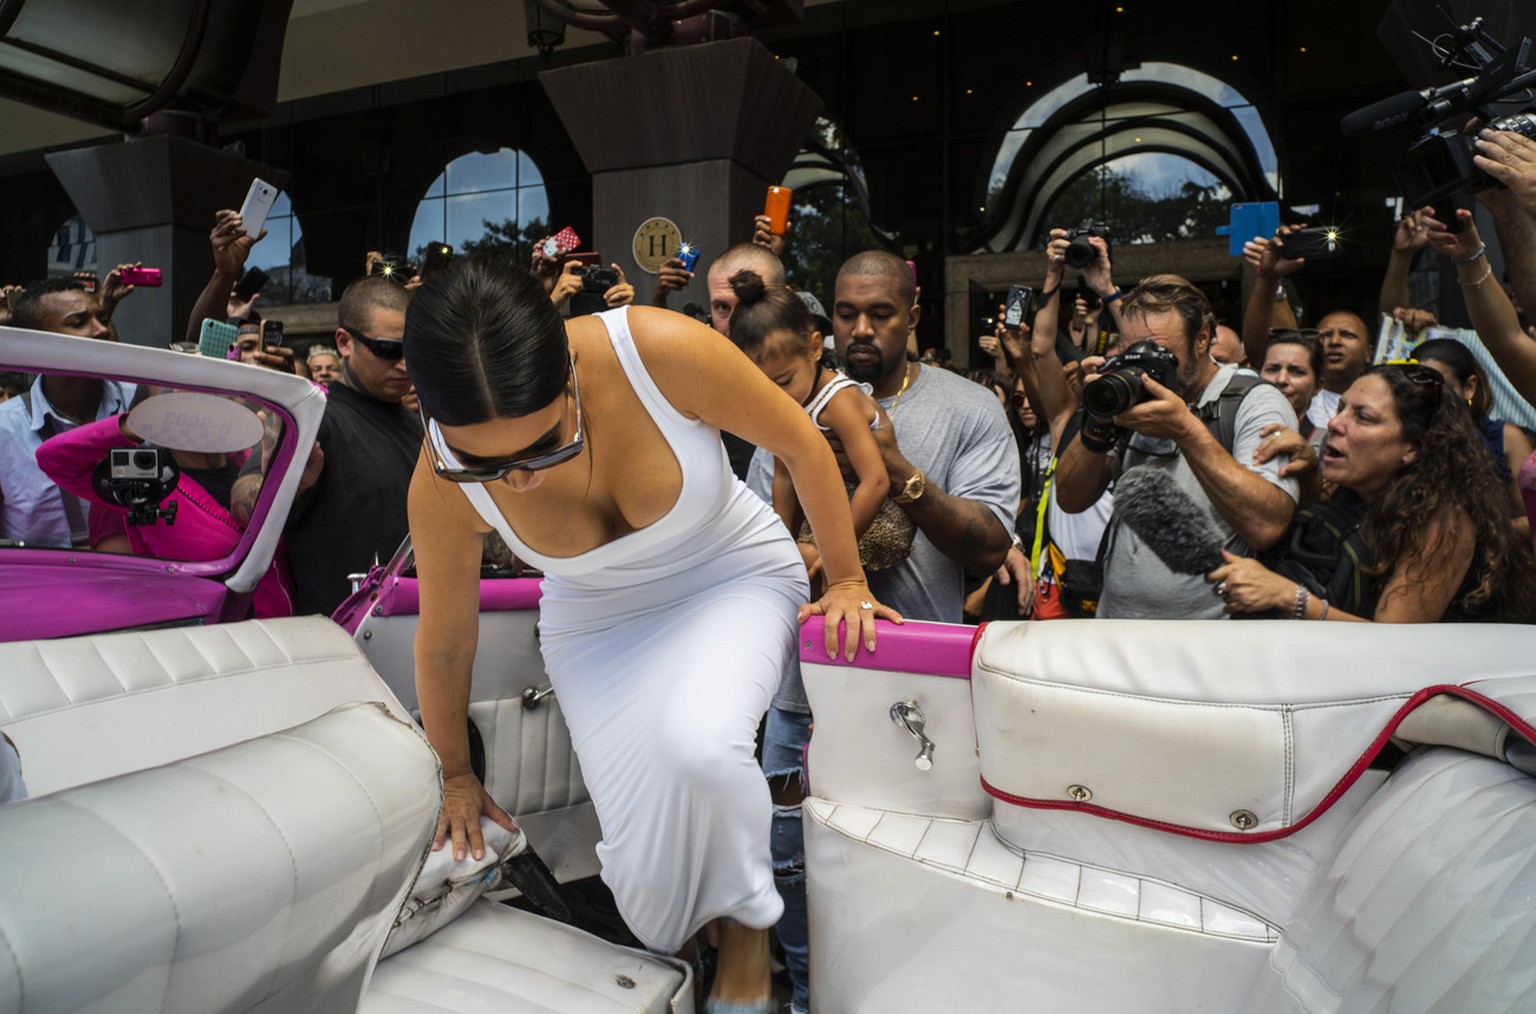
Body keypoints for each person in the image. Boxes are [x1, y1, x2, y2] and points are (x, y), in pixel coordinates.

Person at [403, 257, 896, 1014]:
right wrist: (454, 772)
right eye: (485, 464)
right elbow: (444, 642)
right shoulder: (437, 480)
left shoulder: (657, 349)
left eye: (542, 446)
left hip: (730, 575)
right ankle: (691, 950)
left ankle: (746, 946)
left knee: (700, 747)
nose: (517, 481)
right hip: (596, 625)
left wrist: (848, 580)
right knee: (643, 871)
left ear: (567, 378)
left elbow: (802, 443)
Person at [745, 249, 1019, 1014]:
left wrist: (897, 465)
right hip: (803, 695)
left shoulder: (968, 410)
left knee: (917, 863)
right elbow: (762, 529)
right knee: (793, 863)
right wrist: (791, 550)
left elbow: (991, 546)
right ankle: (806, 1000)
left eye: (881, 313)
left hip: (917, 697)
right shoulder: (782, 393)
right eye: (845, 314)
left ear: (914, 314)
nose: (861, 329)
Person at [1208, 363, 1536, 622]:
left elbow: (1394, 645)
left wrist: (1288, 597)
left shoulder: (1445, 522)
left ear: (1413, 447)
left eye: (1363, 417)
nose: (1336, 424)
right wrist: (1308, 477)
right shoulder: (1357, 488)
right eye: (1341, 409)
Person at [1054, 274, 1299, 619]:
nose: (1144, 367)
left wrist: (1186, 430)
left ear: (1202, 338)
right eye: (1132, 352)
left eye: (1159, 352)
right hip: (1116, 633)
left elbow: (1266, 525)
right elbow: (1069, 498)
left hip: (1207, 643)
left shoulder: (1251, 401)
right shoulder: (1134, 394)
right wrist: (1099, 417)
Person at [231, 276, 418, 616]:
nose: (405, 364)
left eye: (414, 348)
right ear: (344, 343)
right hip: (337, 640)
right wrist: (283, 484)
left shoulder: (421, 426)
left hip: (415, 631)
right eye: (388, 350)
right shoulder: (315, 419)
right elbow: (242, 501)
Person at [725, 268, 910, 583]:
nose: (775, 396)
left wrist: (834, 553)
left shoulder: (837, 402)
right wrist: (781, 545)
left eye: (783, 381)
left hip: (880, 517)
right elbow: (783, 476)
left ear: (813, 348)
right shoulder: (786, 403)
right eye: (762, 386)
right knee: (769, 561)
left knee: (801, 562)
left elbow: (876, 482)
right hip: (826, 516)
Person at [34, 407, 295, 617]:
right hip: (201, 639)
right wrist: (132, 426)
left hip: (284, 632)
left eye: (216, 390)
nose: (205, 405)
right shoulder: (142, 480)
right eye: (186, 396)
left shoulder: (253, 460)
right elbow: (53, 458)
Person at [0, 277, 134, 546]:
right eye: (78, 323)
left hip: (143, 582)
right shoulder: (5, 429)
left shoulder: (141, 404)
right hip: (43, 586)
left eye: (103, 319)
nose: (101, 331)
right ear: (35, 343)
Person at [1414, 337, 1533, 521]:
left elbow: (1531, 520)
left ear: (1469, 387)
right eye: (1420, 388)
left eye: (1442, 387)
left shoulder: (1507, 439)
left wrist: (1478, 534)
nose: (1431, 397)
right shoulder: (1407, 438)